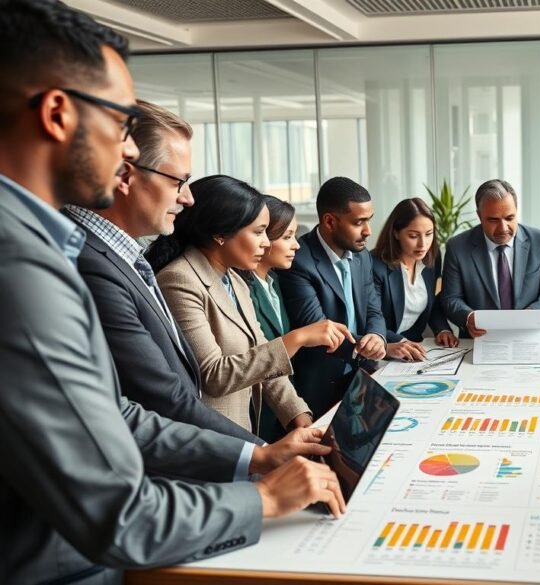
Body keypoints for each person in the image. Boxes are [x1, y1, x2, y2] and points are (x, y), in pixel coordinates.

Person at [0, 2, 341, 583]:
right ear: (57, 113)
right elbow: (119, 515)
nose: (129, 151)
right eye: (120, 124)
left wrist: (255, 457)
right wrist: (265, 499)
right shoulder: (20, 265)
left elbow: (113, 414)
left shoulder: (42, 245)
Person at [65, 99, 260, 443]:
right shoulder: (90, 264)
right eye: (178, 182)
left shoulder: (121, 256)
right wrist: (262, 455)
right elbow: (163, 398)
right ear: (126, 174)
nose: (187, 198)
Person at [148, 175, 352, 432]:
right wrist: (296, 339)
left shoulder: (235, 278)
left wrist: (297, 414)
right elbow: (213, 375)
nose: (266, 242)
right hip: (212, 440)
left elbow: (261, 356)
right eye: (258, 232)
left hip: (242, 432)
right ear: (221, 233)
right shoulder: (179, 281)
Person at [277, 177, 388, 419]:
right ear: (329, 221)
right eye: (359, 222)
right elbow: (321, 331)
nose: (368, 231)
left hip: (361, 378)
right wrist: (367, 348)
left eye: (369, 220)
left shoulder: (362, 256)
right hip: (319, 389)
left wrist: (377, 337)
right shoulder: (298, 261)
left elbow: (373, 311)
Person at [440, 179, 540, 338]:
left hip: (529, 337)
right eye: (493, 220)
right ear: (479, 215)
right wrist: (468, 317)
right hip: (480, 339)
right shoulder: (457, 247)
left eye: (510, 218)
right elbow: (451, 297)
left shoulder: (539, 240)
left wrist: (533, 313)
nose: (503, 228)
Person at [370, 197, 459, 359]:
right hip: (383, 349)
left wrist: (442, 329)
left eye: (429, 234)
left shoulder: (432, 258)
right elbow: (371, 318)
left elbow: (432, 303)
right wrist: (400, 342)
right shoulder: (374, 265)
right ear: (396, 233)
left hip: (416, 347)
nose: (423, 244)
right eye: (413, 236)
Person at [247, 194, 300, 442]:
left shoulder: (274, 282)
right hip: (258, 413)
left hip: (284, 405)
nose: (296, 245)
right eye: (288, 237)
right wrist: (300, 338)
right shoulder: (244, 290)